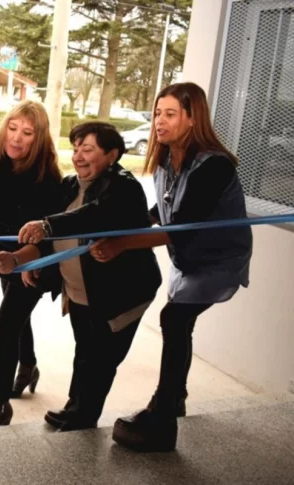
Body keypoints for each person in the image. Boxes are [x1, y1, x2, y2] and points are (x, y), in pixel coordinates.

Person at [90, 82, 253, 451]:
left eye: (169, 114)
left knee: (174, 320)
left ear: (193, 118)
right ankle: (175, 396)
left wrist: (120, 245)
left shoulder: (214, 165)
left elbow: (178, 229)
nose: (159, 123)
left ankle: (162, 417)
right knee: (180, 323)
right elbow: (161, 212)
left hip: (218, 260)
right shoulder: (166, 158)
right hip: (189, 260)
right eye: (157, 114)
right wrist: (124, 227)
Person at [18, 122, 162, 431]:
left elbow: (94, 214)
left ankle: (84, 417)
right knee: (85, 353)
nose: (79, 157)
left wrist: (47, 225)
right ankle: (76, 406)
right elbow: (52, 234)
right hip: (81, 291)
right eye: (76, 149)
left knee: (101, 359)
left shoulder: (123, 187)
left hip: (121, 295)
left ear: (112, 155)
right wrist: (35, 262)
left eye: (89, 150)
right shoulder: (71, 184)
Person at [0, 100, 64, 428]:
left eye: (27, 133)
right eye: (12, 128)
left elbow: (45, 237)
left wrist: (23, 263)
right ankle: (28, 365)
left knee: (8, 321)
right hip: (2, 252)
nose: (16, 138)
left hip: (36, 260)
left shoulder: (48, 176)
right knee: (16, 314)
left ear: (38, 138)